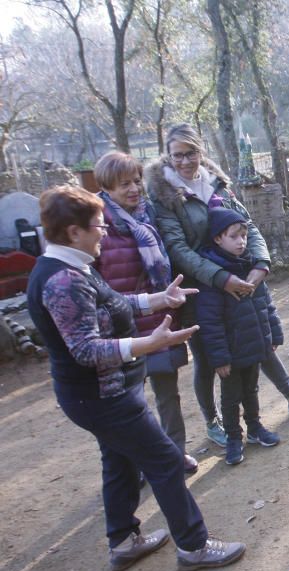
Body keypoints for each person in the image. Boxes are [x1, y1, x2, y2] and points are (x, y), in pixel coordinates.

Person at [26, 186, 245, 571]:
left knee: (119, 460)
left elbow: (111, 302)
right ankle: (194, 547)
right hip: (102, 398)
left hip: (101, 395)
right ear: (74, 232)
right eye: (97, 225)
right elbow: (86, 349)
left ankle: (124, 541)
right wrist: (148, 343)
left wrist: (157, 299)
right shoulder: (63, 280)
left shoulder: (74, 266)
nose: (104, 232)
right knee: (163, 459)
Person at [145, 123, 289, 450]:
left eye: (191, 153)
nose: (185, 161)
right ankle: (213, 421)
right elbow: (178, 249)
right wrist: (220, 278)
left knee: (257, 341)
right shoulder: (165, 197)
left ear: (201, 152)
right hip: (201, 289)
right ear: (168, 156)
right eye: (178, 155)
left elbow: (250, 227)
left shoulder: (219, 185)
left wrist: (261, 264)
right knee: (208, 358)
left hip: (242, 276)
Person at [91, 151, 198, 473]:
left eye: (137, 181)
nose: (134, 189)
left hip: (157, 320)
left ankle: (174, 454)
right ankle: (131, 466)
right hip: (118, 329)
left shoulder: (150, 215)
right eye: (125, 184)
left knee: (168, 395)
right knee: (126, 404)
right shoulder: (95, 225)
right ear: (107, 186)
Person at [196, 208, 283, 465]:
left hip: (255, 344)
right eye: (234, 236)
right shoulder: (214, 277)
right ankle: (234, 438)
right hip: (231, 354)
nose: (241, 241)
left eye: (244, 236)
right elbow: (210, 323)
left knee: (252, 390)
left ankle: (255, 428)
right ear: (217, 239)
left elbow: (266, 304)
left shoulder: (252, 266)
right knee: (231, 397)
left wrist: (273, 334)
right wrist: (219, 358)